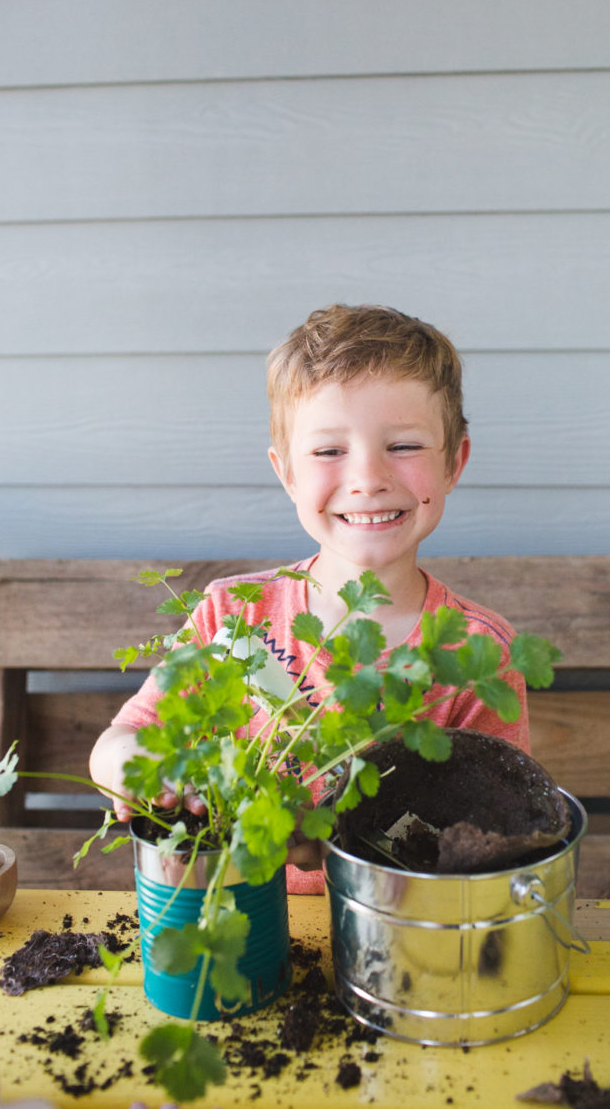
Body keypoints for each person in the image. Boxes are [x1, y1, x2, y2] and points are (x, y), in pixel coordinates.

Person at [90, 304, 528, 894]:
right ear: (287, 472)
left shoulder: (476, 656)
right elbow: (116, 747)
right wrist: (152, 773)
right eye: (328, 452)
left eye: (402, 446)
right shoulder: (233, 616)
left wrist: (335, 839)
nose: (367, 477)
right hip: (235, 918)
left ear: (455, 462)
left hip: (397, 935)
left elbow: (492, 846)